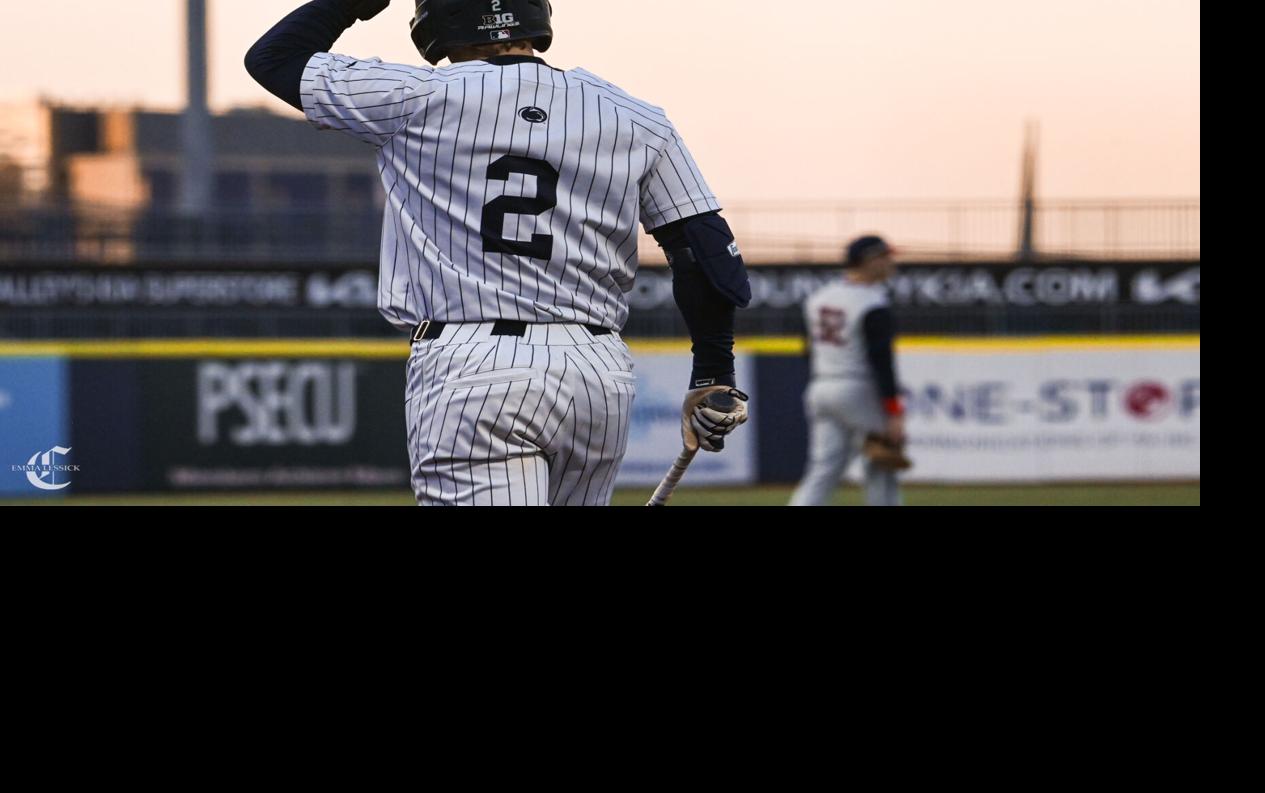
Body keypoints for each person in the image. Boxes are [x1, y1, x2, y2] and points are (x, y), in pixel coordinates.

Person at [244, 0, 751, 505]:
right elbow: (704, 250)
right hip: (596, 370)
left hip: (472, 362)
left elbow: (274, 59)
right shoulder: (636, 117)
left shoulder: (417, 96)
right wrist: (714, 372)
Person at [789, 235, 906, 507]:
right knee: (881, 465)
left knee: (823, 470)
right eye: (885, 257)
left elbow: (808, 350)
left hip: (821, 387)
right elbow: (882, 361)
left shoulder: (819, 297)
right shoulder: (871, 303)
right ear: (869, 261)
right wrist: (893, 410)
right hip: (857, 386)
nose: (890, 263)